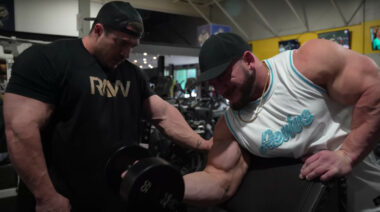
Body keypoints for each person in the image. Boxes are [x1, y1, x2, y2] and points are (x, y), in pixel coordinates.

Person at [3, 1, 211, 211]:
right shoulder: (48, 60)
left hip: (114, 196)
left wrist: (203, 145)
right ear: (98, 30)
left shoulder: (131, 74)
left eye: (132, 46)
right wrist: (45, 196)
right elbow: (20, 130)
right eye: (121, 43)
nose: (126, 53)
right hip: (62, 199)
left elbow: (163, 114)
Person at [183, 32, 380, 212]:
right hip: (314, 203)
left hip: (363, 190)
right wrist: (171, 185)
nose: (220, 89)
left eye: (223, 77)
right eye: (212, 83)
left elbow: (375, 88)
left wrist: (347, 155)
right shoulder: (230, 126)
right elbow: (218, 179)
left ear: (249, 60)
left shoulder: (307, 64)